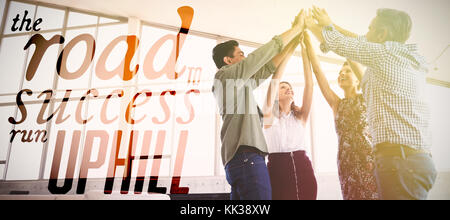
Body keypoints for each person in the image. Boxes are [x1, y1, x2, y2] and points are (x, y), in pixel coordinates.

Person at [307, 6, 437, 200]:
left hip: (399, 162)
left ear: (382, 34)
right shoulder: (410, 59)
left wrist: (311, 25)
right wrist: (331, 25)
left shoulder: (383, 56)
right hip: (414, 162)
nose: (365, 34)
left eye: (370, 28)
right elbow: (359, 40)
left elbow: (341, 43)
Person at [212, 10, 307, 200]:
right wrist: (295, 28)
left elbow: (268, 67)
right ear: (228, 60)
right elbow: (260, 58)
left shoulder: (239, 85)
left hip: (242, 160)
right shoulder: (224, 77)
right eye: (241, 54)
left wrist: (294, 41)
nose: (245, 58)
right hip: (247, 159)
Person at [302, 22, 378, 199]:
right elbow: (318, 72)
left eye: (347, 71)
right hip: (347, 165)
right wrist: (307, 42)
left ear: (358, 80)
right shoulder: (337, 103)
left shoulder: (367, 96)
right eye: (340, 72)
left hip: (370, 162)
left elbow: (352, 57)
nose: (342, 74)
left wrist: (333, 34)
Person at [262, 33, 317, 200]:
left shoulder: (300, 117)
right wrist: (290, 48)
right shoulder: (268, 116)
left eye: (290, 88)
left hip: (303, 168)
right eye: (283, 87)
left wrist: (305, 52)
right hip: (278, 171)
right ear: (276, 95)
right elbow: (275, 80)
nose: (288, 89)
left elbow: (310, 85)